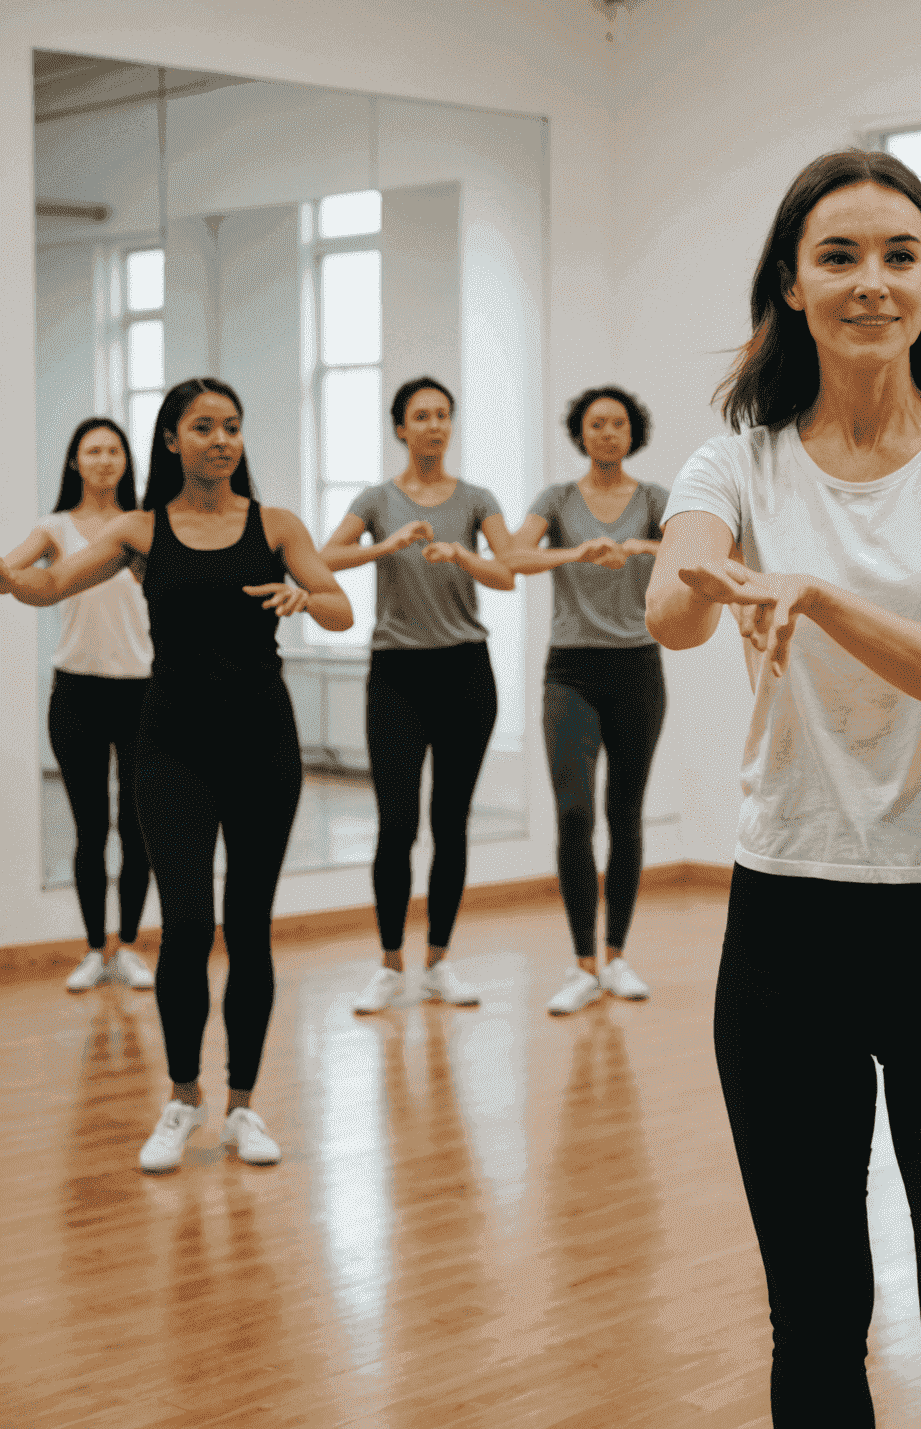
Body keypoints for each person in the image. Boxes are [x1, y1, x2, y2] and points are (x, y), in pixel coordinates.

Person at [648, 148, 921, 1427]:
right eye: (839, 255)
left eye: (900, 255)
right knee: (818, 1326)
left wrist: (817, 594)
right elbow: (671, 607)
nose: (871, 281)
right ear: (790, 284)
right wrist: (710, 577)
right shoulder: (738, 465)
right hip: (788, 932)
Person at [0, 378, 352, 1173]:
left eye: (231, 426)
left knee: (250, 928)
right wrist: (11, 578)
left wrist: (306, 594)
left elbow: (340, 610)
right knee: (187, 925)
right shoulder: (141, 529)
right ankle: (185, 1097)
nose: (221, 440)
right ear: (171, 440)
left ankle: (243, 1110)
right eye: (203, 427)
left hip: (263, 744)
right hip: (172, 747)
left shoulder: (276, 524)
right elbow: (50, 584)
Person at [321, 377, 518, 1016]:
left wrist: (461, 554)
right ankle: (387, 964)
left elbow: (507, 573)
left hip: (465, 673)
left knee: (450, 823)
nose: (433, 425)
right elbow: (324, 558)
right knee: (397, 824)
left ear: (450, 425)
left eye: (442, 415)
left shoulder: (478, 499)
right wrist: (389, 544)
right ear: (400, 429)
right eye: (420, 416)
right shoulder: (378, 499)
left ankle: (437, 962)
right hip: (397, 677)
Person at [502, 387, 669, 1017]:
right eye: (596, 424)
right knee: (575, 815)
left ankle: (618, 955)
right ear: (581, 432)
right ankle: (581, 964)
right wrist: (578, 551)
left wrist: (644, 548)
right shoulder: (558, 500)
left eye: (618, 423)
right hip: (569, 670)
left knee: (625, 816)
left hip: (637, 666)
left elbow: (701, 551)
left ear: (633, 432)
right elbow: (514, 557)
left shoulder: (655, 500)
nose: (607, 433)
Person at [5, 418, 155, 991]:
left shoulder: (143, 525)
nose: (103, 460)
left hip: (142, 690)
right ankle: (95, 949)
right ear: (75, 462)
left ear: (125, 460)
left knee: (138, 828)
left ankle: (128, 948)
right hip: (77, 694)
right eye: (92, 451)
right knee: (90, 829)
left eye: (113, 450)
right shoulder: (54, 528)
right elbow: (11, 574)